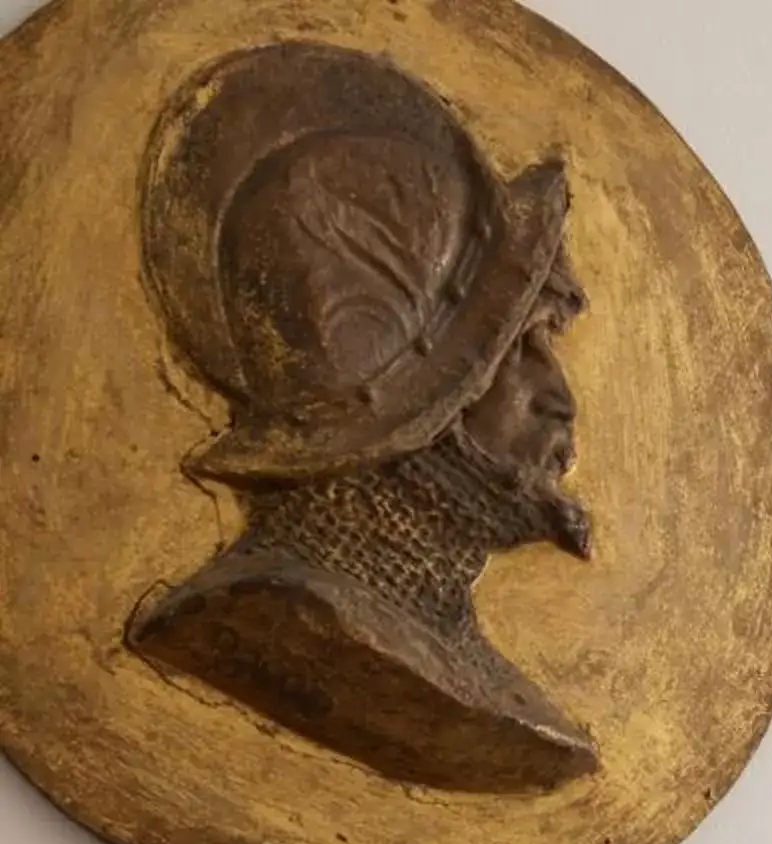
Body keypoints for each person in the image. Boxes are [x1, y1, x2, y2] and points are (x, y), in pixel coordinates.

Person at [127, 42, 599, 794]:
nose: (561, 398)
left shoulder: (489, 689)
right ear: (421, 392)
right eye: (522, 347)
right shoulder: (265, 626)